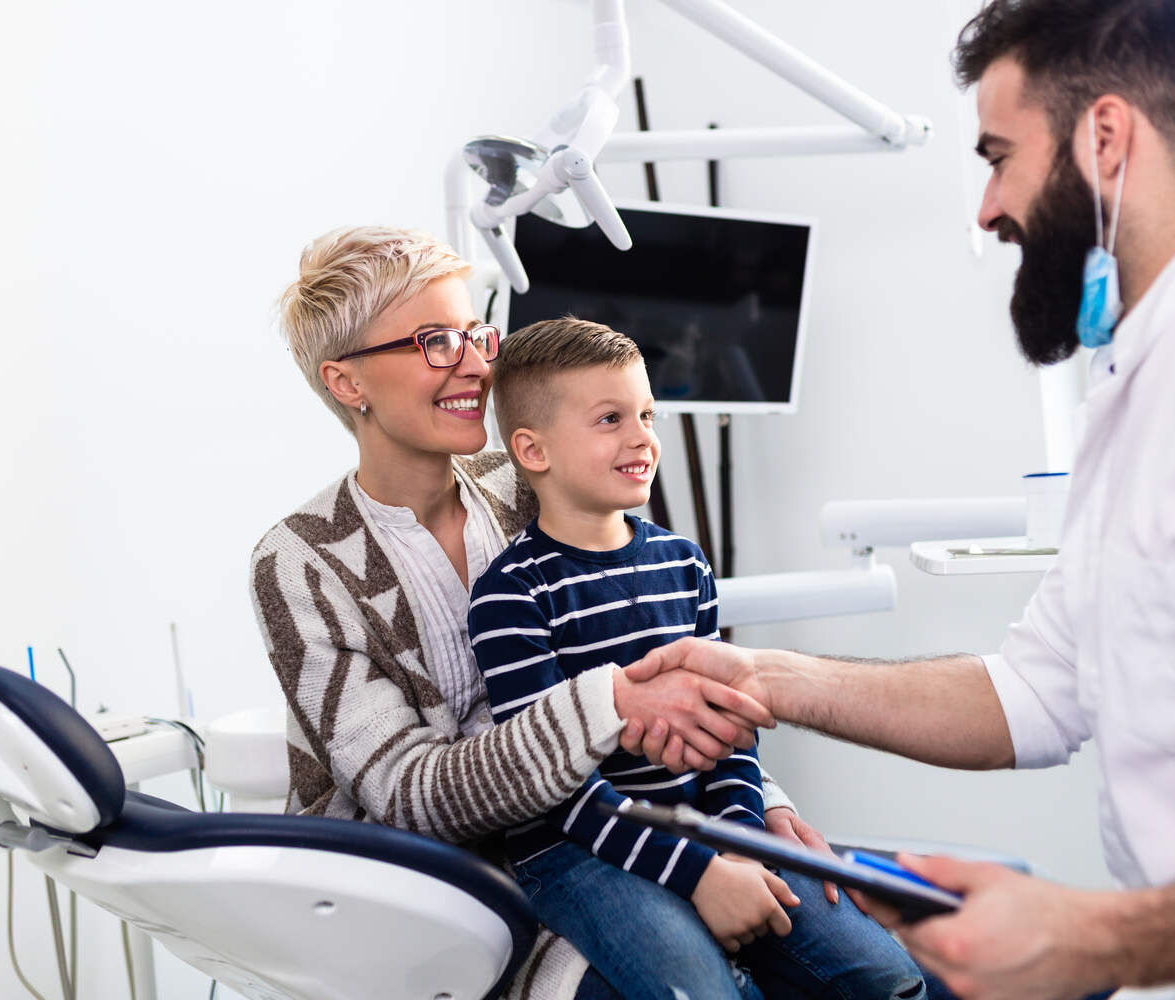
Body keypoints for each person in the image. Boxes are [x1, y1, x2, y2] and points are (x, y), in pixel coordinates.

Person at [621, 1, 1175, 998]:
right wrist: (768, 676)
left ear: (1107, 139)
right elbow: (1037, 690)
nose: (987, 208)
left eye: (999, 155)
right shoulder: (1149, 385)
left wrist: (1110, 937)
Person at [249, 226, 832, 999]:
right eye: (434, 341)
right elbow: (410, 796)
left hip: (604, 833)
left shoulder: (526, 483)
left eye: (473, 332)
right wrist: (615, 703)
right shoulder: (300, 561)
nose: (476, 363)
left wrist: (760, 809)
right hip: (429, 895)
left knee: (847, 952)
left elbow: (662, 638)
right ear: (348, 382)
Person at [467, 318, 924, 1000]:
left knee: (888, 978)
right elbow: (557, 788)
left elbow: (734, 731)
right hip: (578, 853)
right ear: (533, 450)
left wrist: (741, 845)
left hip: (706, 825)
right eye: (610, 418)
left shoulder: (684, 564)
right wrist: (699, 875)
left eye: (647, 413)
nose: (642, 437)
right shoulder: (510, 594)